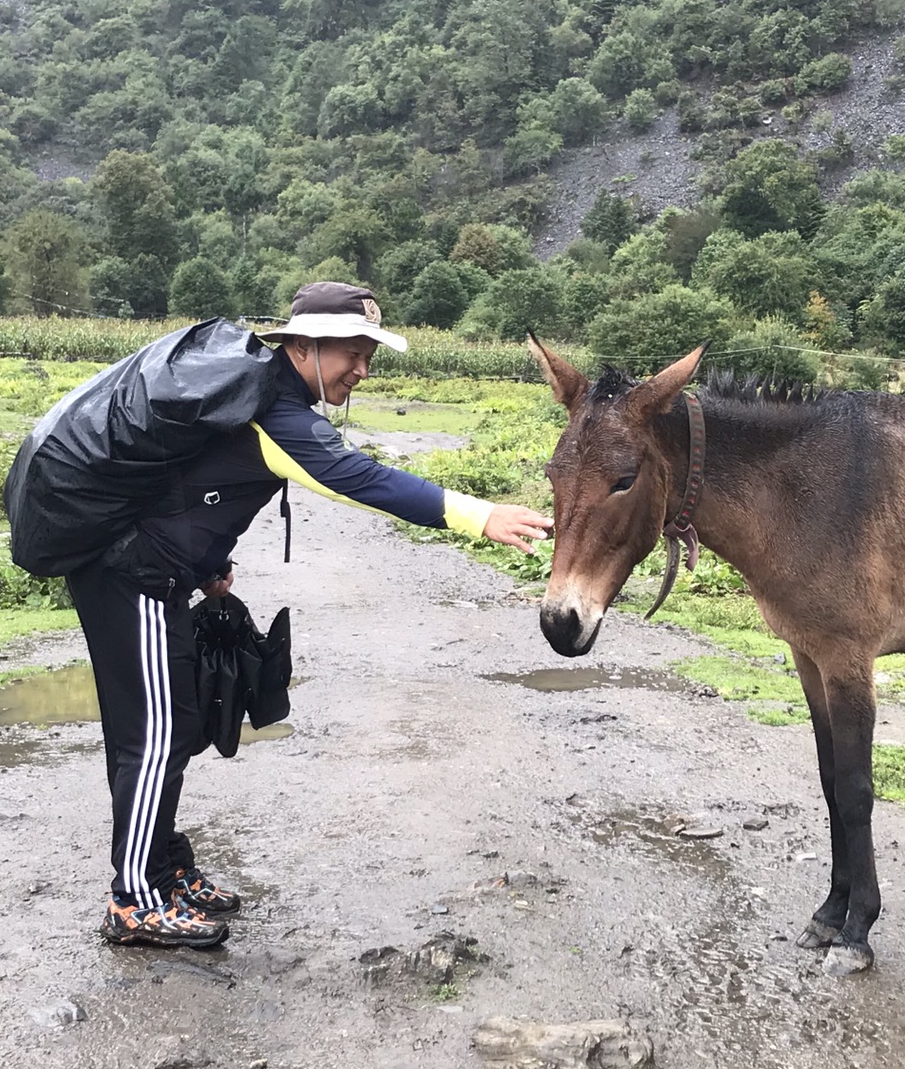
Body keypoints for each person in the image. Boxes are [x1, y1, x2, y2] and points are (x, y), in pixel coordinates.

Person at [46, 283, 551, 949]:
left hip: (155, 572)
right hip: (129, 577)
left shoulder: (256, 396)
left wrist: (205, 566)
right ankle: (135, 899)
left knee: (176, 723)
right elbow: (361, 479)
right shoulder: (275, 413)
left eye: (369, 355)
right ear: (303, 346)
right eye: (353, 353)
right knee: (154, 737)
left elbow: (193, 489)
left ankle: (164, 871)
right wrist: (479, 515)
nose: (363, 369)